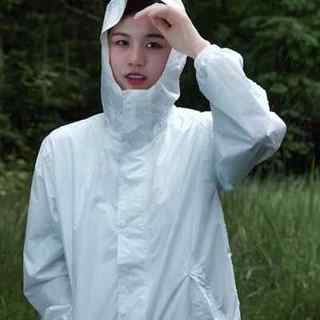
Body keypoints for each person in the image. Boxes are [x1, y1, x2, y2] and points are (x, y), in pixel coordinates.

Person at [23, 0, 287, 319]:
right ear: (105, 48)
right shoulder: (63, 148)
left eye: (154, 43)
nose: (136, 59)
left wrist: (199, 47)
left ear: (175, 53)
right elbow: (45, 271)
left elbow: (259, 131)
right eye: (122, 42)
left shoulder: (203, 136)